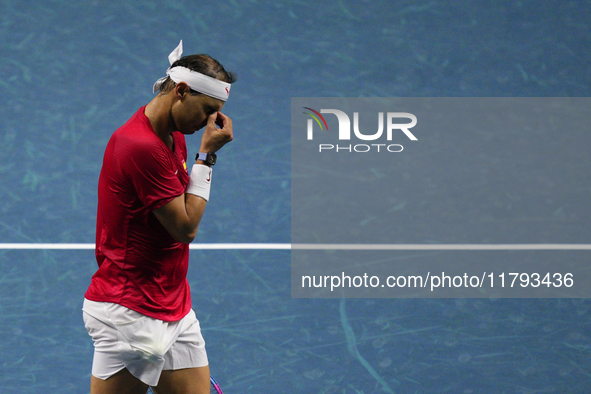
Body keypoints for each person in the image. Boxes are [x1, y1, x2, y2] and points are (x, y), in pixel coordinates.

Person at [82, 40, 236, 394]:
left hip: (172, 302)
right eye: (207, 109)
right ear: (181, 91)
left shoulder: (172, 135)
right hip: (130, 312)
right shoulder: (140, 146)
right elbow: (185, 227)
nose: (210, 121)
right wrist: (207, 157)